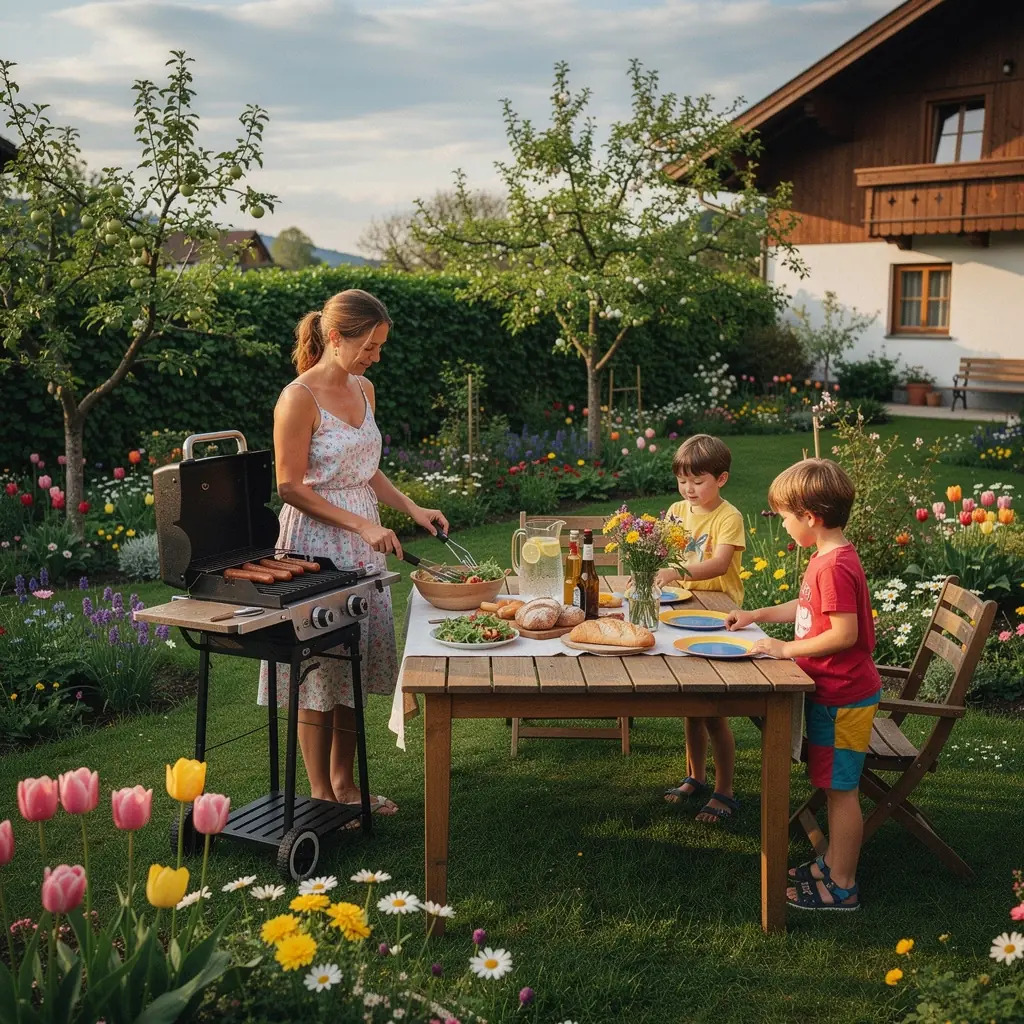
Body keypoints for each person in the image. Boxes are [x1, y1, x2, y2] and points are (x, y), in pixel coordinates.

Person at [257, 289, 449, 819]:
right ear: (336, 338)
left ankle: (347, 787)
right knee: (318, 671)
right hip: (316, 545)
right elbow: (290, 486)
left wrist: (411, 508)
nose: (376, 357)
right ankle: (320, 796)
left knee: (355, 664)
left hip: (362, 544)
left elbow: (366, 466)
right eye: (369, 346)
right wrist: (362, 524)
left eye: (380, 347)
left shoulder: (364, 387)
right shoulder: (297, 398)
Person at [727, 458, 880, 911]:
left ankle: (843, 885)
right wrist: (757, 616)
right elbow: (808, 607)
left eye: (786, 517)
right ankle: (831, 863)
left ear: (810, 518)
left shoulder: (833, 565)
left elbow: (844, 634)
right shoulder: (827, 556)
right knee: (834, 785)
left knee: (841, 790)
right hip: (835, 693)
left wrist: (783, 650)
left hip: (844, 697)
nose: (785, 526)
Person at [658, 434, 746, 824]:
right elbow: (662, 551)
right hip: (682, 611)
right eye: (683, 480)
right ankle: (696, 776)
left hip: (719, 617)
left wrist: (675, 570)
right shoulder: (677, 510)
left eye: (698, 481)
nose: (689, 489)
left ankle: (725, 790)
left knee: (713, 708)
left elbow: (719, 565)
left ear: (721, 479)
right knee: (691, 707)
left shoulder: (729, 517)